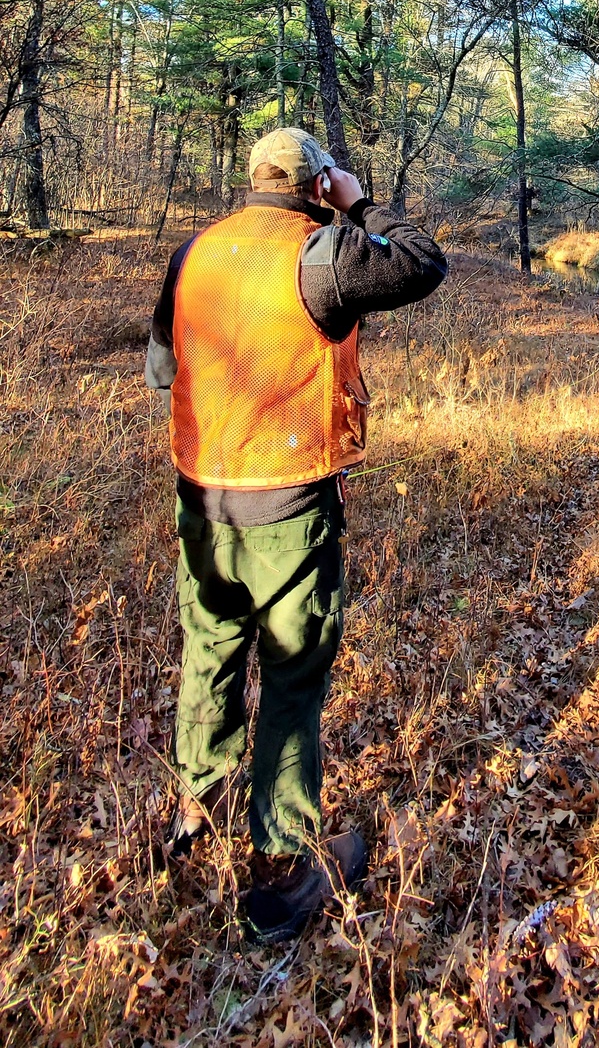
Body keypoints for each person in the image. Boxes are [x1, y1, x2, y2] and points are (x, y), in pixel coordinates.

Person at [144, 126, 447, 944]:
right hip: (287, 510)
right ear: (315, 186)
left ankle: (194, 810)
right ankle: (282, 871)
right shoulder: (325, 251)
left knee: (208, 653)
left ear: (250, 181)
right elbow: (422, 261)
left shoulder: (193, 254)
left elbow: (162, 371)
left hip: (202, 501)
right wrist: (362, 202)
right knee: (290, 675)